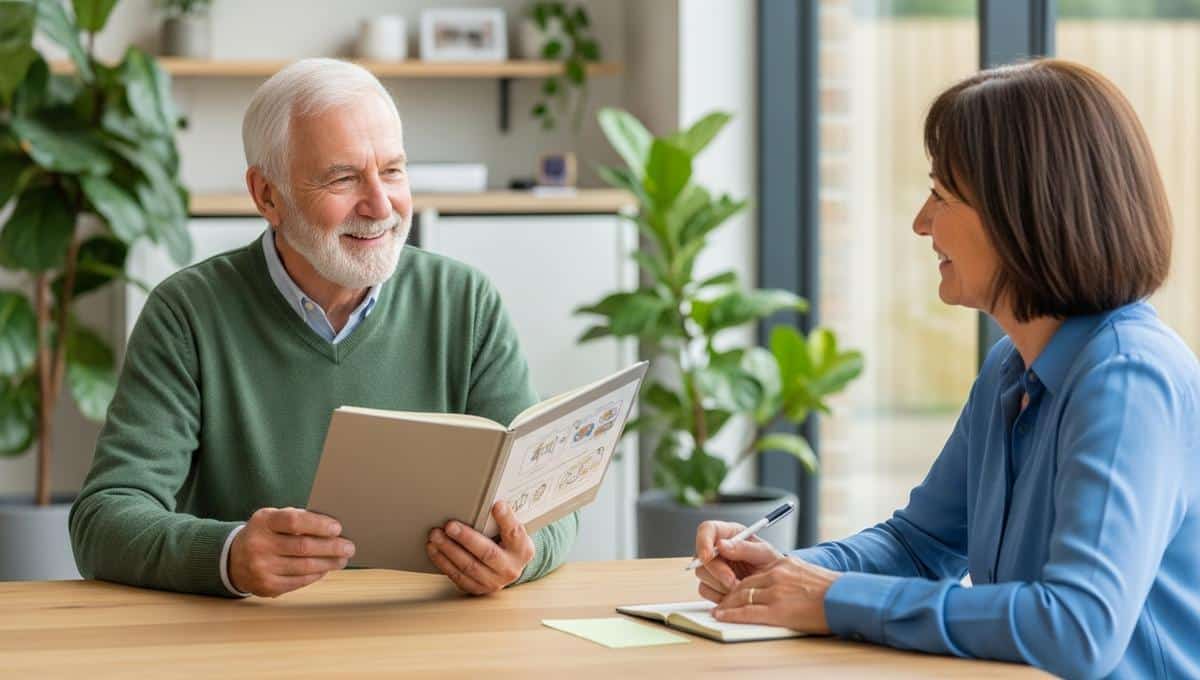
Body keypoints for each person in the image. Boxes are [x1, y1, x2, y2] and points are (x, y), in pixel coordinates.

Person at [692, 59, 1199, 679]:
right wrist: (784, 573)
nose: (921, 222)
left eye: (940, 194)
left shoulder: (1127, 379)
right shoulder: (1012, 369)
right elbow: (920, 545)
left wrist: (830, 599)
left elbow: (1078, 628)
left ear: (1024, 212)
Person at [70, 59, 577, 598]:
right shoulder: (187, 313)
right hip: (251, 639)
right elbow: (103, 520)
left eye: (393, 171)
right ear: (267, 196)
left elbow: (549, 503)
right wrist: (228, 554)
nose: (380, 206)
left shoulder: (465, 302)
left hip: (430, 629)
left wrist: (521, 555)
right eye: (343, 177)